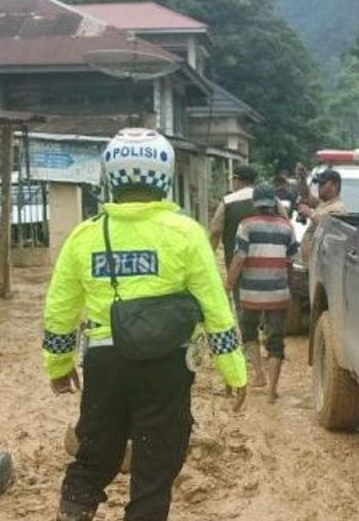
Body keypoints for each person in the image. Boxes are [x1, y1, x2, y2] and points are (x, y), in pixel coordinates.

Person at [45, 128, 247, 521]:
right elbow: (215, 309)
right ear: (164, 177)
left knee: (95, 454)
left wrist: (58, 363)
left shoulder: (85, 235)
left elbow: (60, 309)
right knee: (155, 470)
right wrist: (233, 369)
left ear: (109, 176)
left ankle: (72, 512)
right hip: (167, 367)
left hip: (104, 364)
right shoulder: (186, 233)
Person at [225, 183, 298, 402]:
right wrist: (287, 287)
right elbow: (291, 261)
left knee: (248, 333)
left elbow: (239, 259)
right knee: (276, 342)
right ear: (274, 203)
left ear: (255, 203)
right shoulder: (287, 227)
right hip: (278, 293)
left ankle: (258, 375)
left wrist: (228, 285)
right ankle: (272, 391)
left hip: (251, 293)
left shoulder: (246, 225)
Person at [208, 164, 257, 309]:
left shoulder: (228, 201)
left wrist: (210, 255)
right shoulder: (270, 199)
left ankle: (246, 329)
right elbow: (285, 222)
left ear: (237, 180)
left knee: (240, 298)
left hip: (236, 259)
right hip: (268, 259)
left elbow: (215, 230)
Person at [296, 166, 347, 263]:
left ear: (334, 185)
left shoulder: (338, 208)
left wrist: (310, 213)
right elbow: (305, 195)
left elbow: (328, 228)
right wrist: (302, 178)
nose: (319, 187)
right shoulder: (323, 204)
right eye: (319, 183)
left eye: (323, 184)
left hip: (324, 265)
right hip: (311, 263)